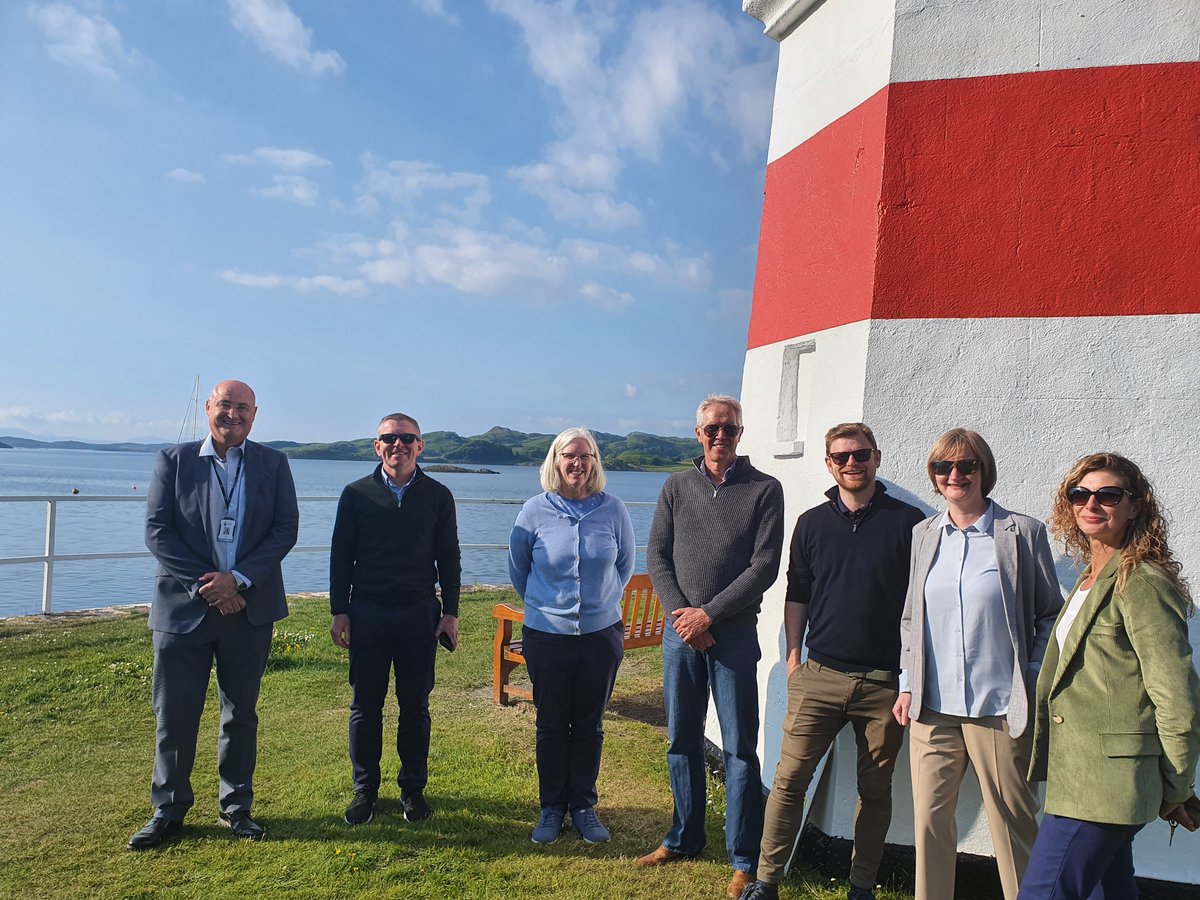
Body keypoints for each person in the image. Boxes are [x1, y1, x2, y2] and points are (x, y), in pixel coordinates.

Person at [739, 423, 924, 900]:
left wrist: (910, 677)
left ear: (876, 458)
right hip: (819, 676)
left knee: (876, 792)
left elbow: (920, 604)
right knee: (787, 783)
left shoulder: (910, 524)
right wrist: (795, 656)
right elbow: (797, 591)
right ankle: (767, 880)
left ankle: (861, 886)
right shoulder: (812, 523)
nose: (851, 463)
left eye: (860, 454)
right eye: (840, 457)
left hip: (884, 684)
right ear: (828, 464)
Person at [1018, 453, 1200, 899]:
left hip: (1104, 787)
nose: (1091, 504)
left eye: (1108, 495)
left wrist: (1176, 786)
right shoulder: (1091, 578)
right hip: (1081, 777)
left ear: (1135, 506)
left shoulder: (1141, 582)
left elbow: (1177, 697)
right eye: (1080, 494)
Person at [891, 429, 1062, 900]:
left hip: (1000, 707)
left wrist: (1028, 677)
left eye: (966, 466)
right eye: (943, 468)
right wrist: (907, 684)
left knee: (1014, 826)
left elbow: (1050, 613)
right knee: (928, 825)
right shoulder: (923, 535)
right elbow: (912, 617)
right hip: (933, 706)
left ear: (983, 470)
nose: (955, 475)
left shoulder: (1021, 533)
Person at [129, 380, 299, 850]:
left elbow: (285, 530)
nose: (233, 414)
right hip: (184, 610)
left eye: (243, 407)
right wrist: (210, 586)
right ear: (209, 408)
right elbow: (157, 531)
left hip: (249, 609)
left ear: (255, 413)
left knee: (240, 714)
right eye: (225, 404)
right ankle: (168, 810)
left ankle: (236, 807)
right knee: (174, 716)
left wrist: (239, 579)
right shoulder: (174, 460)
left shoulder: (274, 463)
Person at [639, 394, 785, 900]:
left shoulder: (765, 489)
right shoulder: (675, 486)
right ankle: (683, 838)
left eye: (728, 429)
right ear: (697, 433)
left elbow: (764, 566)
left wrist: (709, 615)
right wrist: (686, 618)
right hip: (681, 635)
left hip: (734, 636)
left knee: (741, 748)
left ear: (741, 434)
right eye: (710, 429)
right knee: (681, 739)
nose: (719, 436)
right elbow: (657, 555)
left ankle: (743, 858)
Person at [329, 413, 461, 827]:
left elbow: (449, 558)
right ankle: (365, 790)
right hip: (367, 613)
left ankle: (412, 790)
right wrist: (339, 610)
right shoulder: (355, 495)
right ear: (377, 446)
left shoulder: (439, 495)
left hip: (418, 615)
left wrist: (451, 612)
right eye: (389, 438)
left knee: (415, 707)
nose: (398, 444)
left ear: (420, 446)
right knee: (364, 707)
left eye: (407, 438)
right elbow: (340, 556)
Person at [507, 427, 636, 845]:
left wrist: (598, 606)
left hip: (600, 637)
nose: (578, 463)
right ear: (555, 460)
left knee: (589, 725)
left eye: (587, 456)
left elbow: (625, 566)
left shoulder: (613, 510)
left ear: (595, 463)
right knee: (550, 724)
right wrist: (551, 611)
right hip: (547, 637)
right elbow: (519, 572)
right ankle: (550, 808)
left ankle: (583, 806)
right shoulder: (533, 512)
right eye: (570, 455)